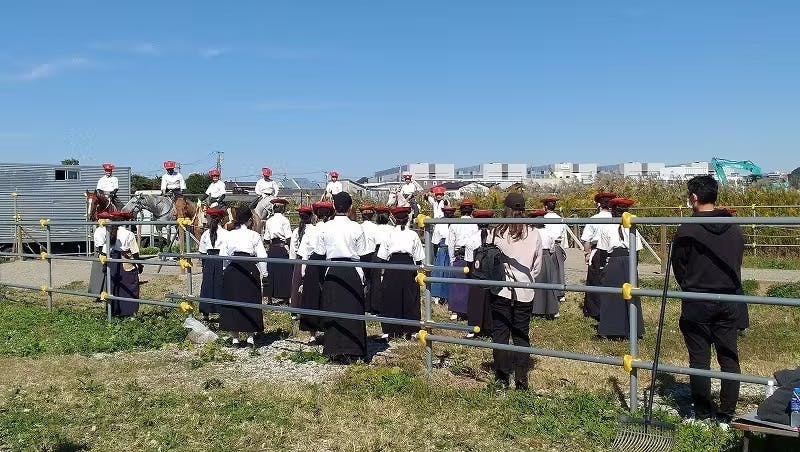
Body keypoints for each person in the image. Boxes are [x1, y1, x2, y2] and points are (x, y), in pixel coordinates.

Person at [672, 175, 745, 425]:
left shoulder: (688, 228)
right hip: (729, 297)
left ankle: (703, 414)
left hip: (697, 299)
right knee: (729, 357)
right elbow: (737, 259)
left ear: (694, 198)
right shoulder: (734, 226)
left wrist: (690, 285)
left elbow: (679, 265)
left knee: (699, 359)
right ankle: (726, 415)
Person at [489, 193, 543, 390]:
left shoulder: (496, 232)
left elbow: (490, 261)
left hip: (501, 290)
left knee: (500, 333)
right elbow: (537, 267)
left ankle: (502, 378)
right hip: (525, 290)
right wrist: (526, 278)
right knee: (521, 334)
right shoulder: (534, 233)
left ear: (506, 209)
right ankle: (521, 380)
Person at [314, 192, 368, 363]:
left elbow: (319, 253)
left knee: (333, 309)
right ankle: (354, 350)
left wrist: (320, 278)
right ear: (350, 207)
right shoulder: (356, 227)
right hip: (352, 270)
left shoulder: (325, 227)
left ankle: (334, 350)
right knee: (353, 309)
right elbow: (363, 253)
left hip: (333, 270)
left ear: (334, 206)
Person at [595, 197, 645, 339]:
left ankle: (613, 329)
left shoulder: (607, 226)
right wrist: (634, 267)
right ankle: (631, 330)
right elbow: (637, 250)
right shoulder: (633, 226)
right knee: (629, 295)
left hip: (614, 262)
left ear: (613, 210)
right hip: (628, 261)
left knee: (612, 295)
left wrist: (602, 268)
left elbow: (603, 251)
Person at [218, 208, 267, 347]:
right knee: (251, 300)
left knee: (232, 301)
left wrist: (225, 270)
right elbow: (262, 256)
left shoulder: (229, 235)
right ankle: (250, 337)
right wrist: (265, 274)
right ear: (250, 220)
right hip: (249, 267)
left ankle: (235, 338)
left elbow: (223, 255)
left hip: (233, 268)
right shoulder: (254, 235)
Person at [377, 206, 425, 339]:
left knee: (391, 297)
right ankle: (411, 329)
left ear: (395, 219)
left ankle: (391, 329)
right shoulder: (413, 235)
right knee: (410, 297)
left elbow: (382, 256)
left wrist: (384, 272)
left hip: (392, 265)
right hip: (408, 265)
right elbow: (419, 257)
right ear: (408, 218)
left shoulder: (389, 234)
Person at [299, 201, 333, 338]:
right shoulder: (332, 230)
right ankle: (329, 330)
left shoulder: (310, 231)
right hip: (328, 263)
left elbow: (304, 253)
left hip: (312, 264)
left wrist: (303, 271)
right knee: (329, 297)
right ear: (329, 215)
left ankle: (312, 335)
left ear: (316, 215)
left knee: (311, 298)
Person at [580, 192, 616, 320]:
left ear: (599, 204)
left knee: (595, 280)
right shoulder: (616, 218)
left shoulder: (594, 219)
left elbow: (586, 240)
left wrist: (587, 253)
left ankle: (594, 310)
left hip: (597, 251)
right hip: (614, 253)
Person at [105, 211, 143, 317]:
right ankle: (129, 312)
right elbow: (135, 252)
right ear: (124, 221)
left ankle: (113, 311)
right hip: (125, 261)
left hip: (112, 262)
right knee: (131, 286)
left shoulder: (109, 232)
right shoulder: (129, 234)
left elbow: (104, 250)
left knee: (114, 287)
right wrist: (139, 265)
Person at [446, 199, 478, 320]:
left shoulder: (454, 224)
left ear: (460, 211)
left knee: (457, 284)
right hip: (472, 256)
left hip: (458, 255)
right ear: (471, 211)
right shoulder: (475, 224)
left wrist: (451, 259)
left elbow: (450, 244)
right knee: (470, 284)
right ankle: (469, 310)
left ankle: (455, 311)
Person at [466, 209, 497, 337]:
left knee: (475, 302)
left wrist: (470, 276)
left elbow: (469, 260)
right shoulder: (496, 237)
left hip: (476, 273)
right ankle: (490, 328)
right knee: (492, 301)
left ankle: (474, 329)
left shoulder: (471, 238)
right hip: (492, 274)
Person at [198, 207, 229, 320]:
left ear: (210, 219)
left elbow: (202, 251)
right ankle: (221, 311)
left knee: (207, 285)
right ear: (221, 219)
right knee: (221, 285)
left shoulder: (205, 234)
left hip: (209, 260)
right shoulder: (226, 234)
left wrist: (204, 265)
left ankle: (205, 312)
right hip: (222, 260)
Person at [528, 209, 559, 318]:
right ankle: (549, 308)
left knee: (534, 281)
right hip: (546, 257)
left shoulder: (531, 232)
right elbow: (552, 248)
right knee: (548, 282)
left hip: (534, 257)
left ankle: (535, 308)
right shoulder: (548, 232)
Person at [262, 198, 293, 303]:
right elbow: (288, 237)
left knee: (271, 272)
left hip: (272, 248)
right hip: (282, 248)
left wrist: (268, 247)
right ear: (283, 208)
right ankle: (285, 297)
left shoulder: (269, 221)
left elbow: (266, 238)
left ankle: (269, 298)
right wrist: (290, 249)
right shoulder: (285, 220)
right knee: (285, 273)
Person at [542, 196, 567, 302]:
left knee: (547, 270)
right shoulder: (560, 219)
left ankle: (548, 292)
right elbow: (564, 235)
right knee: (559, 270)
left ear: (545, 207)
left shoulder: (543, 219)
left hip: (546, 247)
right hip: (558, 246)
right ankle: (560, 293)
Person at [289, 205, 314, 311]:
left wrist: (293, 262)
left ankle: (295, 307)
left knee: (296, 285)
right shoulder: (314, 230)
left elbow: (293, 248)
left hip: (299, 260)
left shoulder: (296, 231)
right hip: (311, 260)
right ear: (311, 216)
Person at [370, 205, 394, 315]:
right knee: (388, 281)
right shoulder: (392, 229)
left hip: (377, 254)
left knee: (375, 281)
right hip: (389, 254)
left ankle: (376, 307)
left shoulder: (374, 229)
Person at [430, 205, 455, 304]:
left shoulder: (457, 223)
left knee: (451, 273)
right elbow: (435, 241)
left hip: (453, 249)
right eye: (447, 212)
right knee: (440, 272)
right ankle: (439, 296)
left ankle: (450, 296)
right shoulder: (439, 223)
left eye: (450, 212)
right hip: (443, 249)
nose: (449, 214)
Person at [359, 205, 379, 313]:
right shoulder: (375, 227)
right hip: (371, 255)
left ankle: (361, 305)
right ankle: (370, 306)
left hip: (360, 256)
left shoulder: (358, 227)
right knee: (372, 282)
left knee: (361, 281)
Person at [88, 211, 112, 301]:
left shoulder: (102, 229)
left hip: (102, 250)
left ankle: (100, 292)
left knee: (101, 273)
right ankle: (98, 293)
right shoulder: (101, 230)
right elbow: (100, 243)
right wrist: (102, 254)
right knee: (101, 273)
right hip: (102, 251)